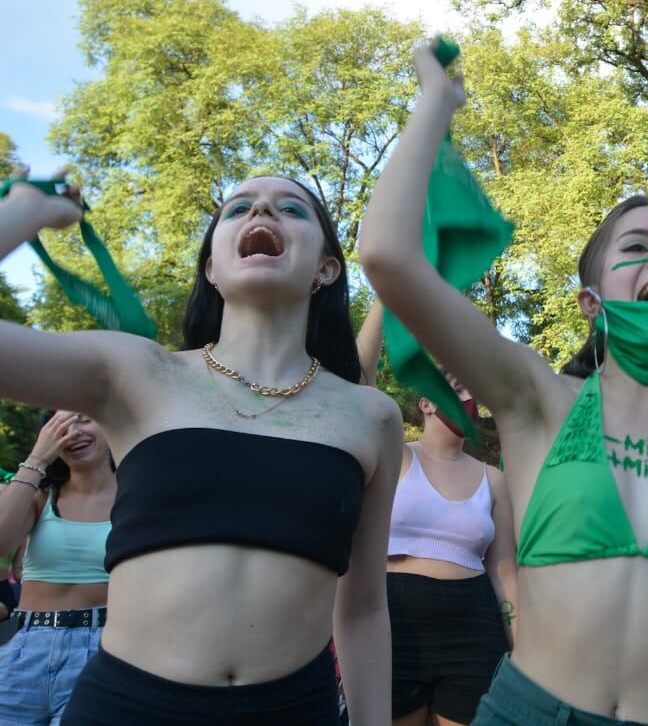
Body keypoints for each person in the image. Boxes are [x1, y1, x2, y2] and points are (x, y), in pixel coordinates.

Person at [361, 43, 648, 725]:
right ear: (590, 301)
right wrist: (435, 103)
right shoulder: (535, 399)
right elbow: (388, 256)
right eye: (635, 247)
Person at [0, 169, 402, 724]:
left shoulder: (371, 414)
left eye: (291, 208)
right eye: (238, 209)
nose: (260, 213)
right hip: (125, 709)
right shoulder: (135, 371)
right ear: (212, 267)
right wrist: (27, 209)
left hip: (296, 712)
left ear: (326, 270)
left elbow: (363, 610)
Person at [358, 301, 518, 726]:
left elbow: (505, 579)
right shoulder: (394, 455)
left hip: (474, 627)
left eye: (472, 390)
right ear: (426, 402)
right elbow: (358, 383)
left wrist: (523, 655)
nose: (466, 397)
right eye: (454, 386)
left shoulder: (493, 480)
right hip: (396, 620)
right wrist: (385, 295)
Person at [0, 411, 114, 724]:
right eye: (59, 427)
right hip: (25, 648)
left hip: (104, 650)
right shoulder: (41, 498)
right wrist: (38, 457)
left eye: (84, 419)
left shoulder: (138, 496)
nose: (72, 432)